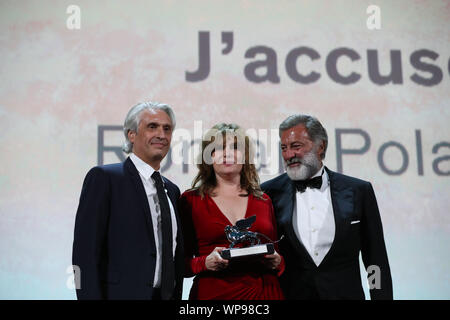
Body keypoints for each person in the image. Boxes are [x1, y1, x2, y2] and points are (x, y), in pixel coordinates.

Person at [261, 114, 393, 300]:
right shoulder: (267, 193)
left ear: (320, 146)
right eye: (284, 148)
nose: (289, 155)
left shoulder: (358, 191)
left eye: (296, 146)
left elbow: (375, 260)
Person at [72, 101, 184, 300]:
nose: (161, 134)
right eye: (152, 127)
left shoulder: (172, 191)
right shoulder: (105, 178)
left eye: (167, 129)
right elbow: (85, 254)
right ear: (131, 134)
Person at [179, 123, 285, 300]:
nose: (227, 154)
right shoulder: (191, 201)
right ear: (208, 156)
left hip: (265, 294)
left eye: (235, 147)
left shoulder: (264, 200)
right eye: (218, 148)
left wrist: (278, 261)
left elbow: (277, 253)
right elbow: (178, 264)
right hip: (214, 294)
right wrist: (204, 263)